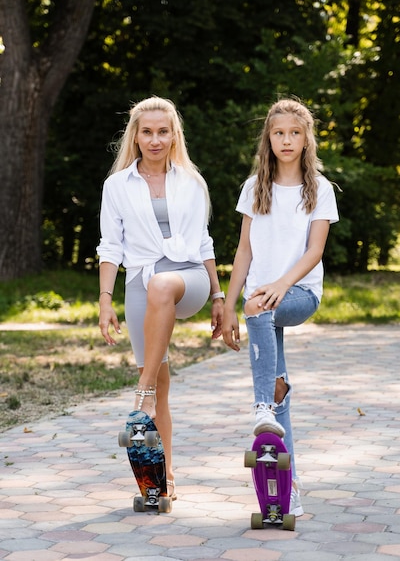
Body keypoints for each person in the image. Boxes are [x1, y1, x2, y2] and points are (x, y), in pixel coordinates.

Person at [97, 96, 224, 501]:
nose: (155, 139)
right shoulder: (116, 186)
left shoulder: (192, 182)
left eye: (163, 132)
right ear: (134, 136)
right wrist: (105, 300)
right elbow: (110, 247)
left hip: (188, 278)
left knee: (162, 285)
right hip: (140, 281)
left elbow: (203, 241)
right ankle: (162, 480)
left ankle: (142, 391)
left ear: (174, 135)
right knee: (164, 384)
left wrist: (219, 295)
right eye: (147, 132)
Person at [222, 97, 339, 516]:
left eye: (294, 132)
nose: (286, 140)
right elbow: (243, 251)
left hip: (300, 293)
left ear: (306, 138)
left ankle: (261, 408)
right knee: (278, 384)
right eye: (278, 133)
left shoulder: (320, 189)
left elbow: (314, 252)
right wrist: (229, 305)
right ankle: (289, 489)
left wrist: (277, 286)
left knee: (260, 309)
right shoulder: (255, 188)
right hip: (259, 301)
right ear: (268, 139)